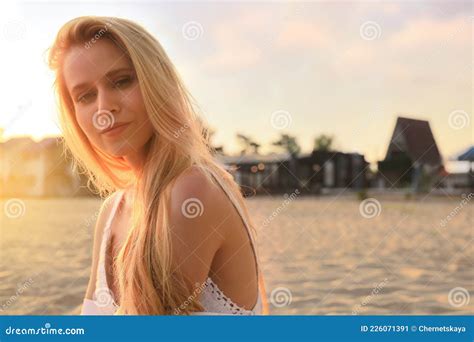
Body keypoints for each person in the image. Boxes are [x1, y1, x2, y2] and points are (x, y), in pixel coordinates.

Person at [48, 16, 268, 315]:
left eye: (122, 81)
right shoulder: (112, 212)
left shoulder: (192, 191)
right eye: (85, 96)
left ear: (157, 82)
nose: (104, 108)